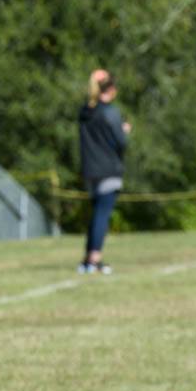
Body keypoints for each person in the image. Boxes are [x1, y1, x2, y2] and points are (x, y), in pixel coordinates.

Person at [78, 69, 131, 274]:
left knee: (96, 214)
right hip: (108, 169)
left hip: (90, 170)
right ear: (110, 89)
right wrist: (124, 130)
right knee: (102, 214)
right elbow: (121, 142)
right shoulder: (110, 112)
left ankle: (87, 259)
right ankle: (94, 259)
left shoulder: (85, 112)